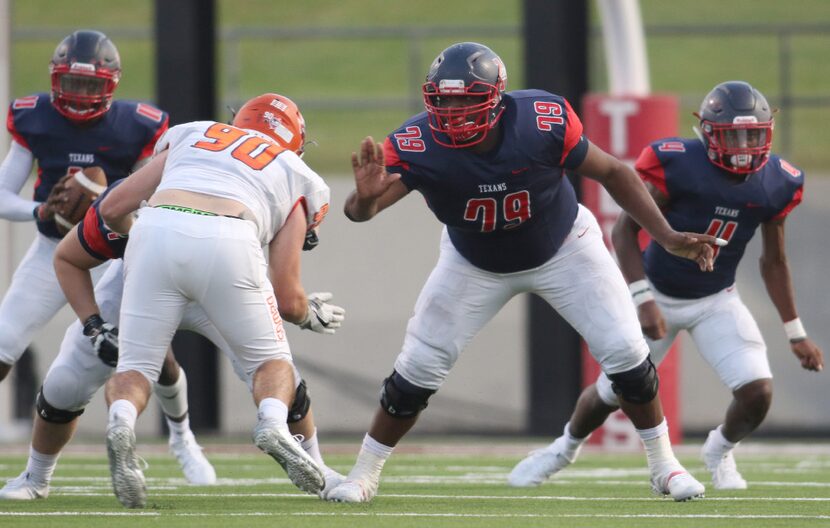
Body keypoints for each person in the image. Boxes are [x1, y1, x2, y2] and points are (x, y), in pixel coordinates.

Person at [325, 42, 725, 504]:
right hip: (474, 260)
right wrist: (366, 198)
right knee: (417, 369)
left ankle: (665, 467)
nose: (453, 111)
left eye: (466, 100)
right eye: (445, 100)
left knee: (627, 354)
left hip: (562, 246)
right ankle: (363, 474)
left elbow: (614, 172)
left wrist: (668, 235)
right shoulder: (417, 142)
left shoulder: (541, 122)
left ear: (496, 98)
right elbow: (361, 213)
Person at [508, 80, 824, 491]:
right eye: (734, 135)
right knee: (610, 393)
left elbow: (774, 260)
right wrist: (642, 300)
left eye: (753, 135)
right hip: (657, 291)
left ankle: (719, 450)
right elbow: (624, 234)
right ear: (708, 133)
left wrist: (795, 332)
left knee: (758, 393)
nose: (744, 146)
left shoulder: (778, 181)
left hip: (716, 299)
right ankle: (563, 448)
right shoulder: (677, 164)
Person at [0, 174, 344, 500]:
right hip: (216, 274)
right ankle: (315, 466)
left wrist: (93, 324)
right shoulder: (275, 180)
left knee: (75, 380)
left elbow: (69, 256)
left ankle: (54, 465)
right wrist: (302, 309)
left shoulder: (236, 173)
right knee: (276, 372)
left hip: (150, 274)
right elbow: (287, 290)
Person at [97, 92, 345, 508]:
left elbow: (113, 208)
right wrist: (308, 314)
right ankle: (271, 422)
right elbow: (287, 295)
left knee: (137, 367)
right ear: (295, 142)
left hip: (154, 227)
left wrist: (151, 241)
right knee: (273, 364)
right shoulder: (293, 170)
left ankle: (121, 421)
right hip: (228, 238)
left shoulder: (195, 134)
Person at [0, 29, 215, 493]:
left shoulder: (139, 125)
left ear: (111, 84)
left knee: (152, 355)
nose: (80, 96)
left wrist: (105, 202)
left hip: (115, 253)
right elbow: (2, 195)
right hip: (53, 250)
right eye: (72, 85)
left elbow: (156, 194)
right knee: (2, 342)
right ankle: (38, 476)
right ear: (56, 81)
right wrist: (40, 211)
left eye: (90, 86)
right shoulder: (33, 118)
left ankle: (182, 437)